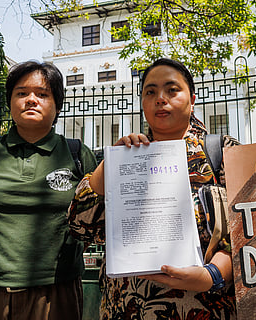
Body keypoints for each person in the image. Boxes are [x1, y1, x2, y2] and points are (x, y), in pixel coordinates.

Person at [68, 58, 240, 319]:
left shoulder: (223, 152)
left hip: (205, 308)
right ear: (142, 103)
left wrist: (214, 275)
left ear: (192, 99)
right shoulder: (125, 155)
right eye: (150, 92)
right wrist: (111, 164)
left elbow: (252, 228)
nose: (161, 98)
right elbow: (79, 226)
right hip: (127, 308)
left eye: (172, 90)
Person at [0, 61, 97, 320]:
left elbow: (96, 220)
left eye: (42, 94)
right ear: (10, 102)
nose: (31, 100)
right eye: (21, 93)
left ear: (57, 105)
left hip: (55, 294)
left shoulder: (77, 155)